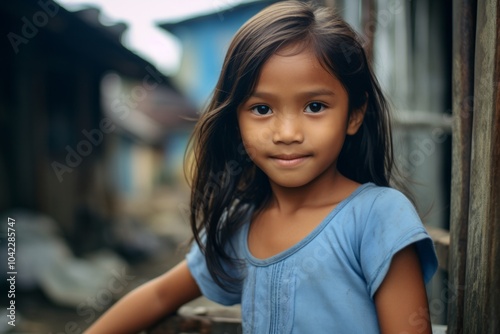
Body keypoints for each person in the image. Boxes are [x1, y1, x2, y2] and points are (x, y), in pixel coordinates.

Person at [85, 1, 438, 333]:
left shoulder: (377, 218)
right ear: (235, 119)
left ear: (354, 115)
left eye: (315, 106)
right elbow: (160, 295)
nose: (287, 134)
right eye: (262, 109)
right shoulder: (240, 226)